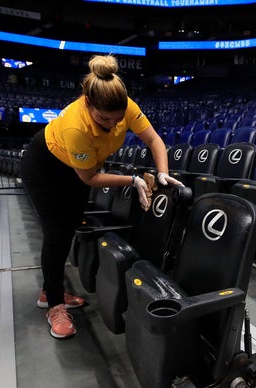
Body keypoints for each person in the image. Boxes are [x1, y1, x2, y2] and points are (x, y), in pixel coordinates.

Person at [20, 54, 183, 339]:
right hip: (46, 167)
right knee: (56, 234)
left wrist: (162, 172)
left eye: (118, 118)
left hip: (84, 167)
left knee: (70, 226)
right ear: (87, 101)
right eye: (105, 118)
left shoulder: (124, 106)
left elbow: (154, 139)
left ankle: (50, 289)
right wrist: (133, 180)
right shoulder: (75, 126)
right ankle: (55, 305)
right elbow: (89, 178)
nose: (112, 123)